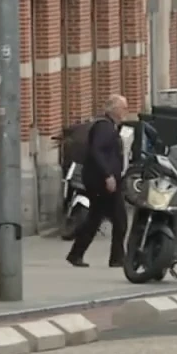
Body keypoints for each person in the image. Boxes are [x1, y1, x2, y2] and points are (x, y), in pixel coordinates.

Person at [66, 93, 131, 269]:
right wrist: (108, 175)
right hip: (102, 181)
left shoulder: (109, 126)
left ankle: (76, 253)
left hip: (100, 180)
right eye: (123, 108)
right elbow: (97, 151)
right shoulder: (104, 127)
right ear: (114, 109)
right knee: (119, 220)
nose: (125, 111)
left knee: (95, 218)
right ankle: (116, 258)